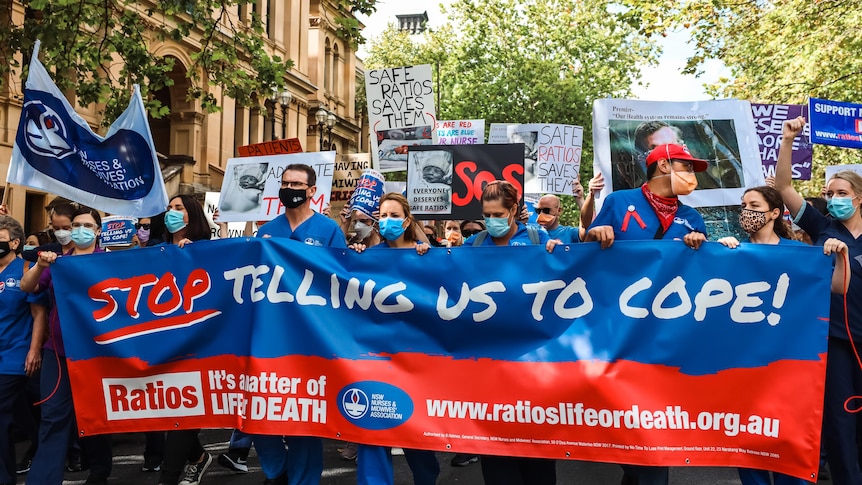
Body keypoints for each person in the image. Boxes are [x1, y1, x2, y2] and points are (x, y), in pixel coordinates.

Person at [587, 143, 708, 485]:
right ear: (664, 166)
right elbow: (588, 255)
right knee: (632, 428)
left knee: (654, 431)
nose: (692, 176)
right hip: (621, 334)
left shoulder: (691, 218)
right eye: (686, 167)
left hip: (667, 338)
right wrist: (596, 233)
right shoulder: (618, 202)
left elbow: (707, 275)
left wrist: (705, 246)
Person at [717, 185, 844, 485]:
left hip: (789, 369)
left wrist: (839, 257)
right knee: (749, 448)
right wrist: (715, 253)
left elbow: (837, 287)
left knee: (790, 448)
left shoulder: (801, 255)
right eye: (743, 204)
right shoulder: (729, 252)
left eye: (754, 205)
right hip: (743, 368)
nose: (746, 211)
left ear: (775, 213)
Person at [775, 116, 862, 485]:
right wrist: (787, 140)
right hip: (839, 342)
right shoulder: (823, 227)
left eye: (842, 193)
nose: (834, 199)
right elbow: (782, 186)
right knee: (841, 422)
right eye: (829, 194)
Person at [254, 163, 347, 485]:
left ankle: (303, 480)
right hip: (271, 337)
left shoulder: (328, 230)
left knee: (304, 412)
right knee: (260, 408)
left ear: (311, 191)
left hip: (311, 338)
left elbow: (343, 280)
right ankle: (275, 469)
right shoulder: (265, 232)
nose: (289, 188)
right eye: (285, 183)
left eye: (297, 183)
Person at [463, 180, 561, 485]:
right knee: (497, 459)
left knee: (538, 461)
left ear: (513, 210)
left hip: (532, 366)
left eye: (497, 213)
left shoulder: (535, 238)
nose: (490, 219)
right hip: (490, 368)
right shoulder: (474, 245)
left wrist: (560, 255)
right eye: (486, 214)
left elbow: (559, 282)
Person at [349, 193, 438, 485]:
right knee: (373, 435)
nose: (387, 221)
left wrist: (431, 255)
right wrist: (355, 254)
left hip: (417, 362)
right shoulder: (370, 257)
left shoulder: (426, 255)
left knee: (417, 440)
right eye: (383, 216)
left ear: (407, 220)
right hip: (376, 361)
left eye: (394, 215)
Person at [20, 205, 113, 485]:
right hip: (58, 354)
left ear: (98, 231)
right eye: (75, 226)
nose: (80, 230)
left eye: (87, 226)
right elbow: (27, 287)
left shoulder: (110, 262)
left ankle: (99, 472)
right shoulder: (58, 262)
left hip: (99, 354)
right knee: (53, 418)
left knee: (96, 416)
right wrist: (39, 265)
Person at [142, 194, 214, 485]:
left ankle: (168, 478)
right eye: (169, 208)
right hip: (162, 344)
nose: (172, 213)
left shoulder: (208, 250)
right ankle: (197, 456)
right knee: (167, 409)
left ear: (192, 214)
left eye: (179, 208)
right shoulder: (156, 250)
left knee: (187, 411)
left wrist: (196, 256)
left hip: (198, 346)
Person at [0, 215, 47, 485]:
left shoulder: (27, 269)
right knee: (16, 414)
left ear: (15, 243)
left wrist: (34, 350)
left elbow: (38, 313)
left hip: (15, 355)